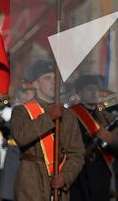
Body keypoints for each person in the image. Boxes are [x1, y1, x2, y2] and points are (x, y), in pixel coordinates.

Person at [9, 60, 84, 200]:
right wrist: (48, 117)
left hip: (59, 185)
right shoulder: (22, 111)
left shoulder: (68, 115)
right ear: (36, 84)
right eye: (47, 78)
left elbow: (77, 153)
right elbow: (21, 137)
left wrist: (65, 177)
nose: (53, 82)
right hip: (30, 183)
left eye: (56, 79)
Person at [65, 75, 118, 201]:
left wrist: (110, 139)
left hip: (101, 173)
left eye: (96, 89)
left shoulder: (107, 117)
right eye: (89, 89)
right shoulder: (70, 115)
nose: (93, 92)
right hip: (78, 172)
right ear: (79, 92)